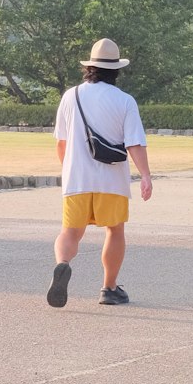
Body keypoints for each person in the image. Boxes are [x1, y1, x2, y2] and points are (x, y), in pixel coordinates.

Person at [47, 38, 153, 308]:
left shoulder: (70, 96)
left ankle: (62, 264)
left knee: (70, 232)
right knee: (115, 230)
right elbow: (134, 143)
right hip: (112, 179)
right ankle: (109, 287)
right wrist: (145, 175)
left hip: (77, 178)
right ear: (116, 69)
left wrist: (69, 169)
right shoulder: (125, 101)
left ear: (90, 67)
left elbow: (61, 142)